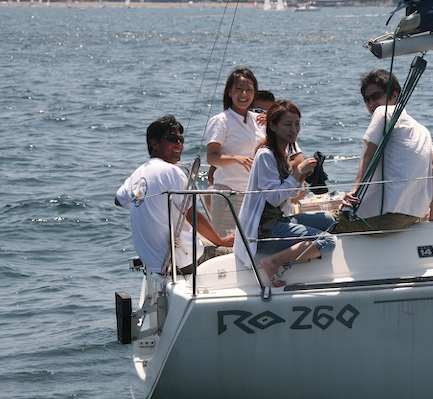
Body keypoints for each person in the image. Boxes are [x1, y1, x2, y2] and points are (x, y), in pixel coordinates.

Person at [115, 115, 234, 275]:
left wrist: (145, 199)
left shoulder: (138, 174)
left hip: (155, 263)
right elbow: (192, 215)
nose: (179, 144)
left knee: (204, 240)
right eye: (172, 139)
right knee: (242, 254)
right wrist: (221, 241)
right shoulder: (171, 171)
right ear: (154, 144)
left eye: (181, 140)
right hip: (182, 261)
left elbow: (118, 200)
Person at [235, 100, 336, 287]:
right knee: (328, 241)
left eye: (297, 124)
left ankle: (293, 252)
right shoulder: (266, 155)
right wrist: (297, 173)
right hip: (263, 231)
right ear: (273, 126)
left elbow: (291, 195)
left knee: (328, 219)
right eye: (288, 124)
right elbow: (274, 198)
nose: (294, 130)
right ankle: (273, 262)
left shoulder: (282, 153)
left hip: (277, 221)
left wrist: (301, 176)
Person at [335, 69, 433, 233]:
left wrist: (354, 191)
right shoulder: (423, 130)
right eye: (366, 99)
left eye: (376, 96)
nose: (371, 103)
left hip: (381, 217)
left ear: (394, 95)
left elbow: (368, 155)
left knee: (318, 225)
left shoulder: (383, 112)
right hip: (411, 217)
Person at [205, 67, 266, 236]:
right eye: (239, 89)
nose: (244, 94)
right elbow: (212, 157)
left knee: (255, 243)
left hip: (255, 193)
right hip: (229, 193)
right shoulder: (221, 121)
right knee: (227, 244)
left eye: (249, 90)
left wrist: (273, 120)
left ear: (255, 93)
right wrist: (236, 158)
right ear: (229, 92)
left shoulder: (259, 120)